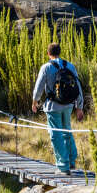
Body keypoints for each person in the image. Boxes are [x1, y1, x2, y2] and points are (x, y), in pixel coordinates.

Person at [32, 43, 84, 175]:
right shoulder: (70, 66)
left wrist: (35, 101)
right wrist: (79, 107)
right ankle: (71, 161)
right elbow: (77, 86)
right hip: (68, 105)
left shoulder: (46, 67)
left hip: (53, 106)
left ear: (48, 53)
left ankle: (63, 166)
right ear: (59, 52)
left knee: (56, 135)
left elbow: (39, 88)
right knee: (67, 131)